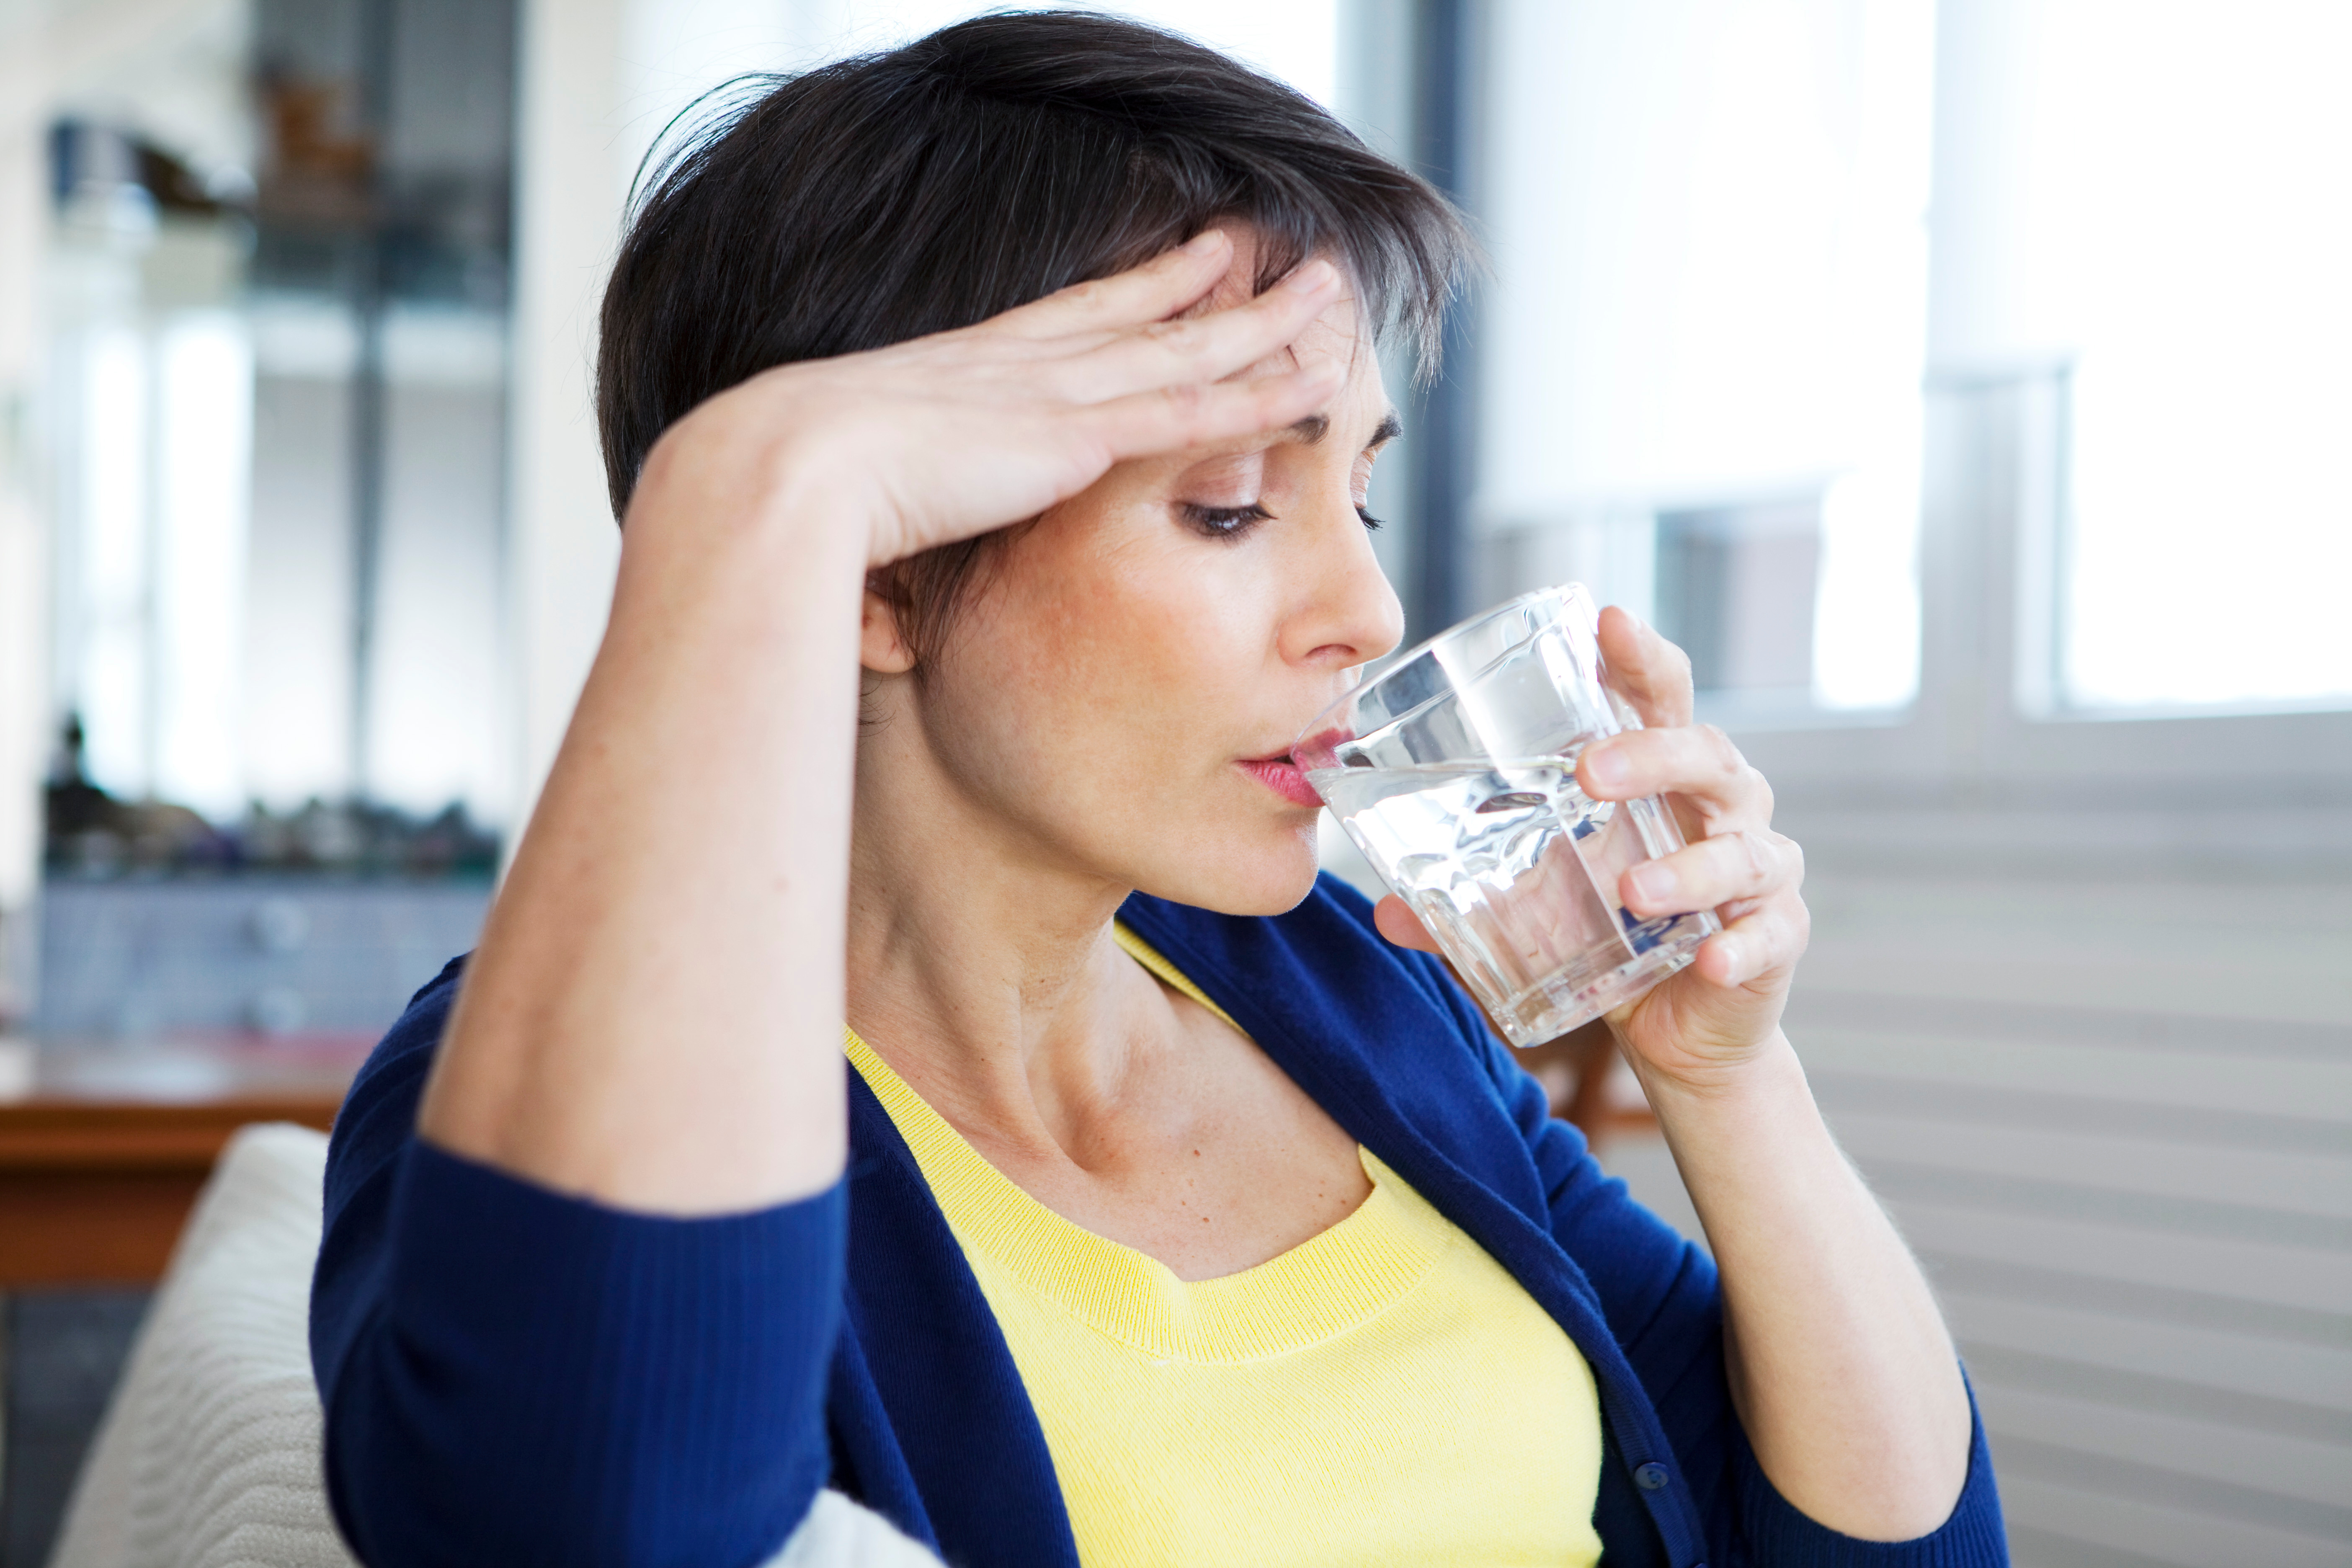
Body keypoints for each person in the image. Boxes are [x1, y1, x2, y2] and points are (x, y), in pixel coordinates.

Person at [309, 14, 2006, 1567]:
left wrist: (1729, 1076)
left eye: (1361, 499)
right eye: (1225, 507)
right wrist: (746, 488)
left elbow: (1892, 1549)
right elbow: (580, 1524)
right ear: (879, 576)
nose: (1371, 614)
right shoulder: (532, 1088)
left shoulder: (1362, 995)